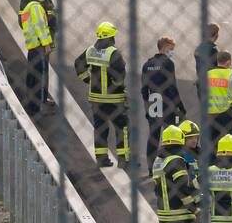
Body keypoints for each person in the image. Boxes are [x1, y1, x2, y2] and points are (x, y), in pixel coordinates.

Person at [74, 21, 130, 168]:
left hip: (96, 99)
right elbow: (120, 74)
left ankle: (101, 159)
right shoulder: (113, 53)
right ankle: (123, 160)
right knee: (122, 128)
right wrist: (118, 85)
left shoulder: (90, 50)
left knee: (100, 128)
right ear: (111, 37)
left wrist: (88, 79)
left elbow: (78, 65)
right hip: (114, 99)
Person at [151, 124, 199, 223]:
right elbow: (183, 186)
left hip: (165, 214)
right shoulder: (176, 160)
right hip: (179, 214)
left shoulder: (159, 161)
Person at [141, 36, 186, 173]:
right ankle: (170, 167)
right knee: (172, 135)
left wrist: (147, 109)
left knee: (153, 137)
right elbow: (172, 87)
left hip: (153, 105)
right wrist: (181, 106)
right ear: (165, 47)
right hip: (167, 105)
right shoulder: (168, 63)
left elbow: (144, 90)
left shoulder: (147, 64)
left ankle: (151, 168)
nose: (172, 51)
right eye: (172, 49)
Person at [19, 0, 55, 115]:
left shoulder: (28, 7)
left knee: (32, 79)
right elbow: (41, 27)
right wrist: (46, 44)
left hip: (32, 47)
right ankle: (39, 108)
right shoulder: (36, 7)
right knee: (40, 79)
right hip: (39, 47)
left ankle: (31, 106)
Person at [204, 49, 232, 151]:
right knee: (229, 143)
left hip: (211, 115)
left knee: (212, 145)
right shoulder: (231, 75)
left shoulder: (208, 74)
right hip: (227, 114)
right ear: (229, 62)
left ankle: (212, 165)